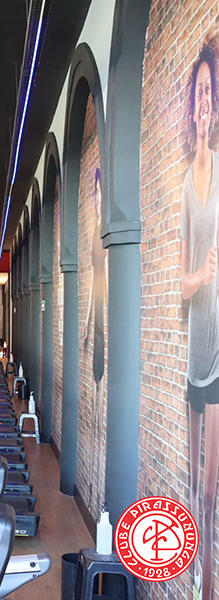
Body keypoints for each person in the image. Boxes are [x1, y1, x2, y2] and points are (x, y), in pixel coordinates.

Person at [180, 42, 219, 600]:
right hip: (196, 340)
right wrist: (201, 275)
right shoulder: (187, 180)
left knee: (211, 491)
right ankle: (193, 578)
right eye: (198, 93)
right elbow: (181, 283)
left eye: (210, 91)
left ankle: (208, 584)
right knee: (193, 483)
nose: (204, 100)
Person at [82, 167, 107, 504]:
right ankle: (94, 468)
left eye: (102, 193)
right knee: (96, 380)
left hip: (108, 311)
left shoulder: (109, 230)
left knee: (102, 378)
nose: (99, 199)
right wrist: (87, 323)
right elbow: (92, 281)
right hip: (97, 311)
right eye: (96, 194)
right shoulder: (93, 233)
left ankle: (99, 480)